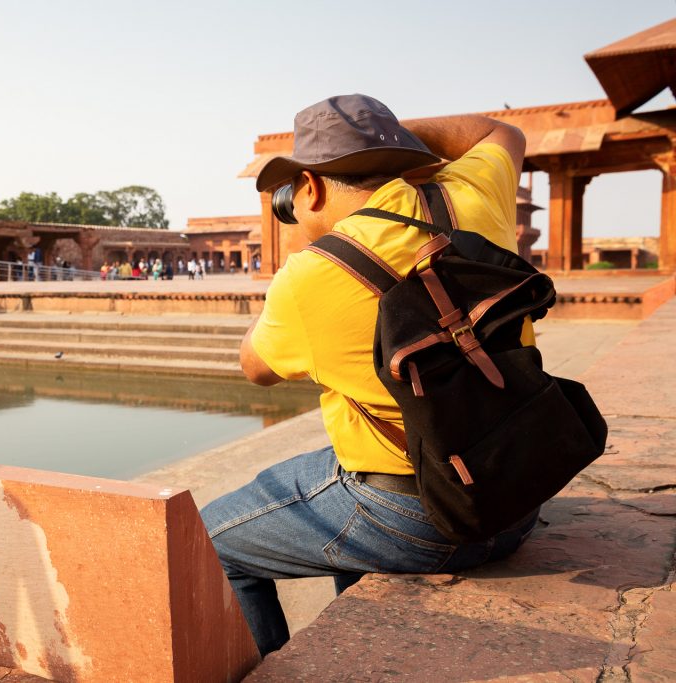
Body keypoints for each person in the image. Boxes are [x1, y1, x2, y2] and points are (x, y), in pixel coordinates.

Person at [200, 94, 536, 657]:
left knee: (206, 539)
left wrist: (285, 297)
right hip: (518, 491)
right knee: (327, 487)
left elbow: (254, 368)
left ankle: (266, 671)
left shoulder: (313, 272)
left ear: (310, 187)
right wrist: (386, 140)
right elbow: (502, 132)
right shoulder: (473, 196)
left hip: (421, 520)